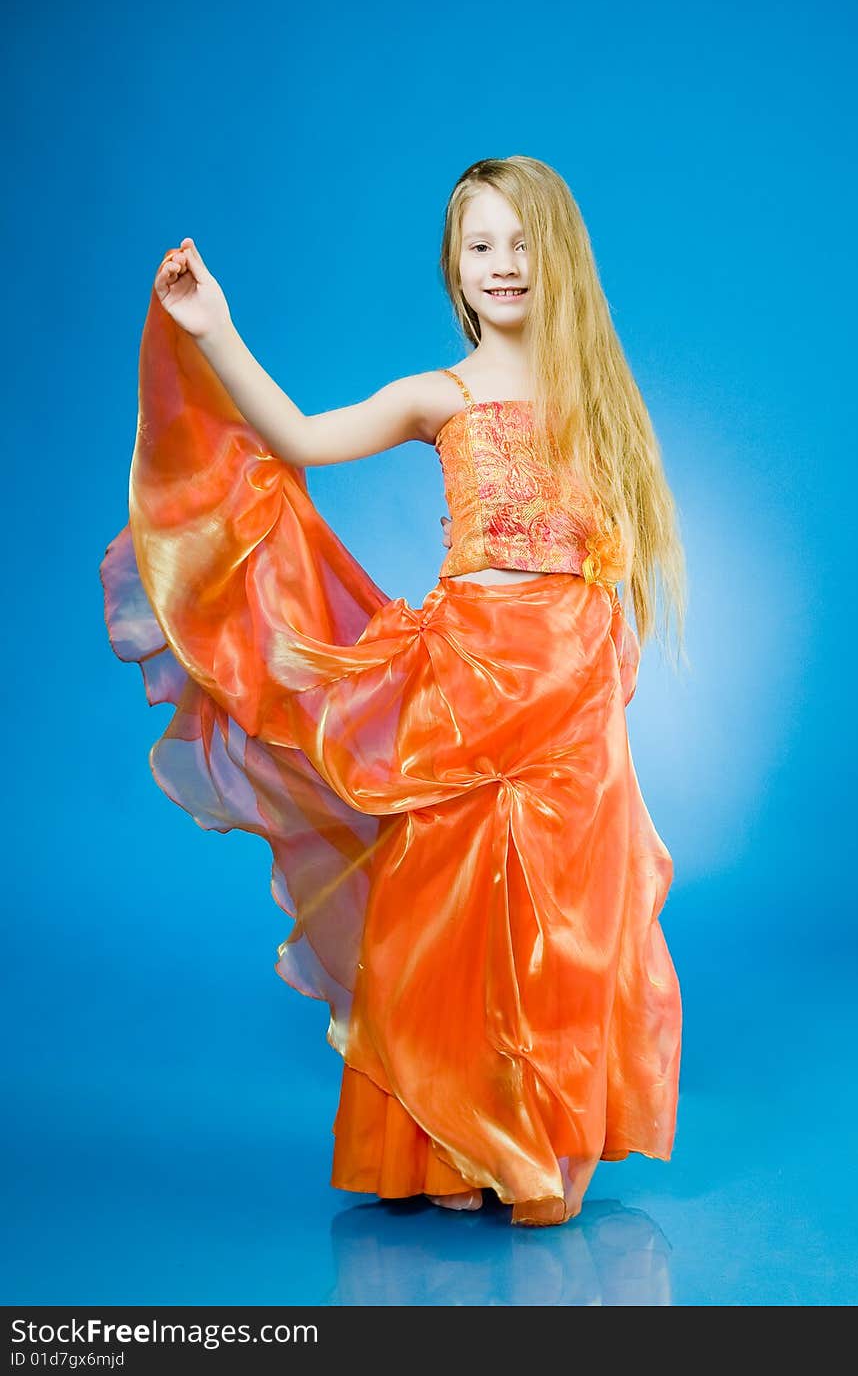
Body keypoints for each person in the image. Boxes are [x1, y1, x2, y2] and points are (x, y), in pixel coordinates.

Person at [100, 155, 687, 1228]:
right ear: (455, 269)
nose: (502, 265)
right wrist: (214, 327)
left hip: (568, 697)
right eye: (480, 246)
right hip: (465, 681)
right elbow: (302, 440)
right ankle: (445, 1147)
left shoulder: (600, 399)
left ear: (559, 259)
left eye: (521, 243)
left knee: (565, 916)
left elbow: (622, 551)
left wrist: (610, 653)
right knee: (441, 908)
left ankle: (539, 1139)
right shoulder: (438, 394)